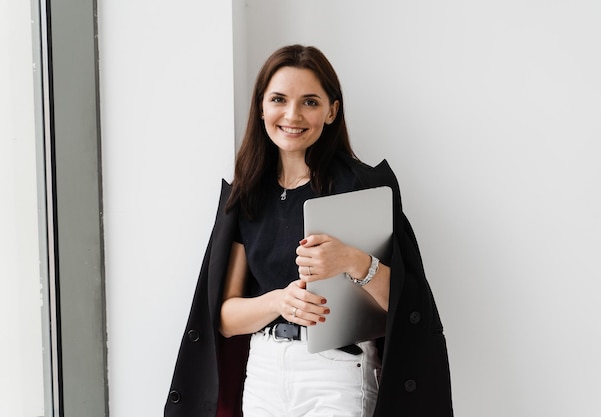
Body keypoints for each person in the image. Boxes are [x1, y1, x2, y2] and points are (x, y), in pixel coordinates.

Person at [164, 44, 453, 417]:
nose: (292, 115)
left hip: (336, 371)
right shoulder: (248, 194)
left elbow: (407, 309)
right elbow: (224, 317)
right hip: (265, 370)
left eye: (310, 102)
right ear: (261, 106)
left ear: (332, 110)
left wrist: (353, 260)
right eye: (279, 99)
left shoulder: (361, 188)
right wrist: (278, 301)